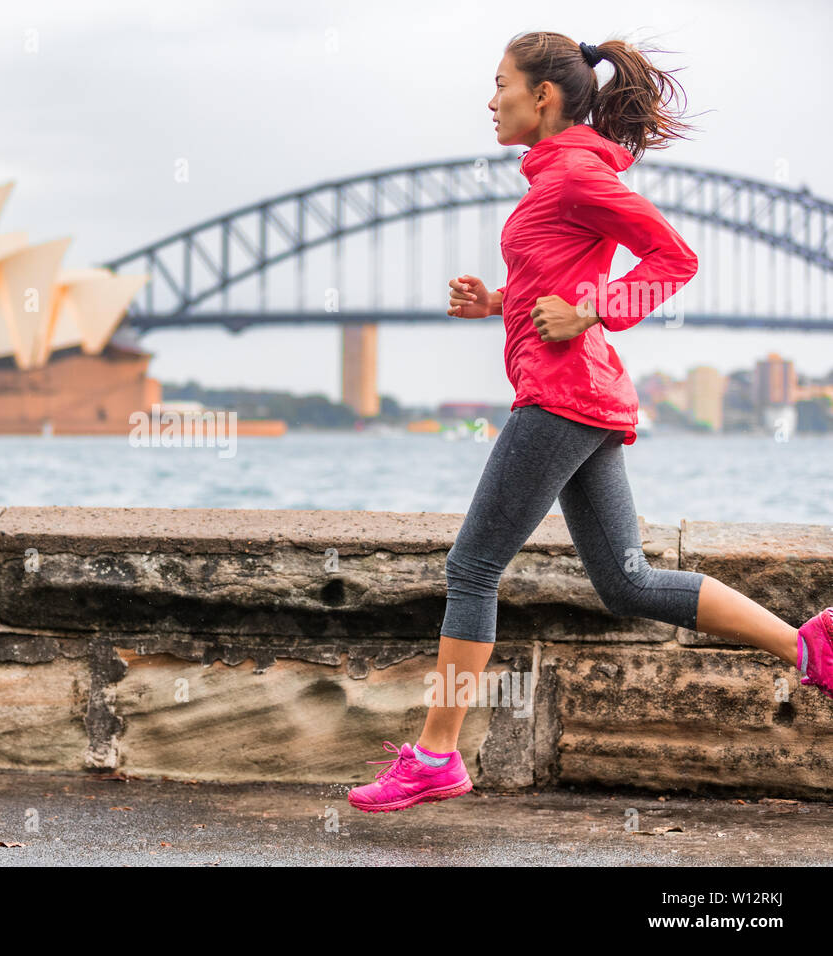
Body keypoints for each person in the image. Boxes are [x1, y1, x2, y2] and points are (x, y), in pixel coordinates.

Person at [348, 31, 833, 814]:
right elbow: (558, 282)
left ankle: (436, 754)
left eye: (500, 82)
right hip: (584, 396)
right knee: (627, 581)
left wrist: (591, 310)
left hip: (562, 395)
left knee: (471, 569)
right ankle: (806, 646)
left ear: (543, 96)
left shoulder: (572, 171)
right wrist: (500, 304)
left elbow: (674, 258)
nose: (489, 98)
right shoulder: (559, 176)